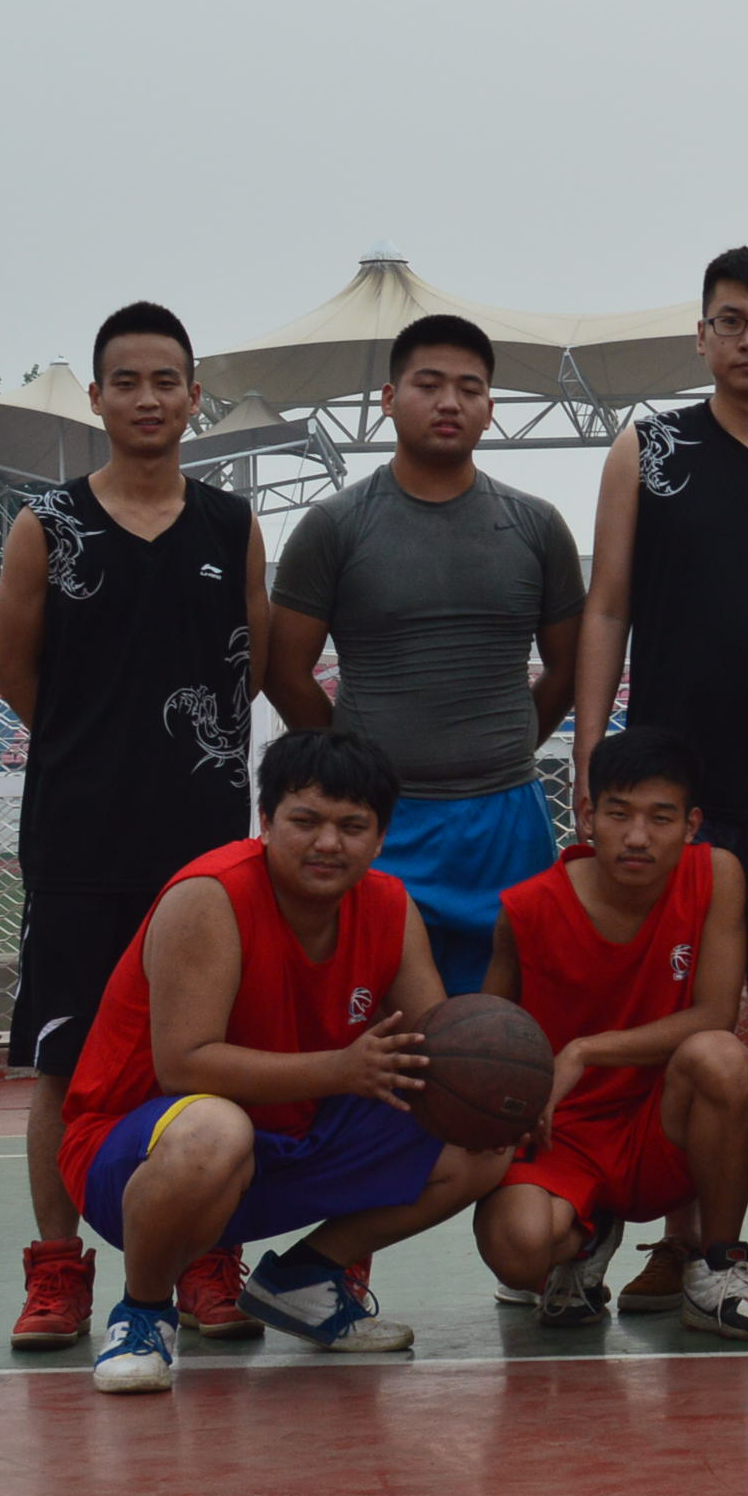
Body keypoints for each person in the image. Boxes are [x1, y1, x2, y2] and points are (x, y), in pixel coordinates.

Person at [571, 243, 748, 1315]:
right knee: (684, 1027)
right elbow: (608, 603)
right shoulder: (648, 448)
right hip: (669, 797)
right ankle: (687, 1237)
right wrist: (592, 754)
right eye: (731, 321)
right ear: (701, 334)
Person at [58, 730, 509, 1393]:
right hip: (138, 1155)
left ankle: (302, 1280)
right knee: (214, 1127)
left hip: (285, 1142)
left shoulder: (389, 906)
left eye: (352, 826)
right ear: (266, 822)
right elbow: (185, 1066)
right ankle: (143, 1313)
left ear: (380, 838)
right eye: (306, 821)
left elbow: (437, 1051)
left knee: (482, 1139)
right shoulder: (210, 896)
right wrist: (340, 1070)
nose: (328, 843)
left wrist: (506, 1093)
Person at [0, 300, 267, 1354]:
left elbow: (247, 668)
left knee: (206, 1058)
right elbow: (16, 674)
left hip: (203, 847)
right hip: (78, 841)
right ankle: (58, 1270)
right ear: (98, 397)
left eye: (166, 381)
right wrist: (95, 751)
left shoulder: (231, 526)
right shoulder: (46, 524)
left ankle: (204, 1257)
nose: (147, 398)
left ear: (195, 397)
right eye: (127, 381)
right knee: (64, 1062)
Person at [266, 312, 584, 996]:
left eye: (470, 389)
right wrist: (351, 767)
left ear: (490, 408)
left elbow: (568, 666)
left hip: (506, 816)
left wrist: (508, 744)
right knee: (378, 1020)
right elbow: (283, 669)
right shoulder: (334, 526)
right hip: (381, 823)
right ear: (389, 398)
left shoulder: (536, 525)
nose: (449, 403)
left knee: (511, 1025)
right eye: (429, 384)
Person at [473, 727, 748, 1340]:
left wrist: (584, 1050)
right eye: (619, 814)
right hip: (565, 1130)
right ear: (587, 816)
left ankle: (719, 1264)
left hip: (662, 1122)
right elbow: (489, 1037)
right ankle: (587, 1238)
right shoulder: (527, 908)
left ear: (691, 825)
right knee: (518, 1249)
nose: (638, 836)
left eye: (660, 818)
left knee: (720, 1056)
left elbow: (715, 1013)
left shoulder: (717, 874)